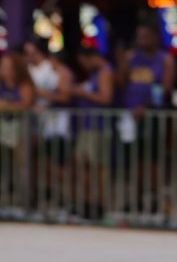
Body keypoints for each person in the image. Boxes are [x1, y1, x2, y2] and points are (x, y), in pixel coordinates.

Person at [117, 20, 175, 212]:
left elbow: (165, 89)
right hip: (130, 116)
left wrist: (146, 107)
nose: (142, 40)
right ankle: (137, 197)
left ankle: (156, 198)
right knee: (134, 159)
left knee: (154, 159)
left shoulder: (165, 59)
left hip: (153, 116)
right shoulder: (132, 57)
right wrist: (123, 62)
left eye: (145, 36)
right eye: (139, 36)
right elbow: (121, 82)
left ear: (155, 37)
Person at [22, 38, 74, 206]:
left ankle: (68, 197)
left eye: (31, 53)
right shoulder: (26, 69)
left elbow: (65, 94)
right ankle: (40, 195)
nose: (28, 56)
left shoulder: (54, 68)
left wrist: (43, 94)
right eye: (26, 53)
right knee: (38, 162)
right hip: (35, 124)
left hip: (55, 125)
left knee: (59, 161)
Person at [70, 42, 115, 219]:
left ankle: (100, 205)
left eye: (83, 62)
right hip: (87, 126)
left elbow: (106, 98)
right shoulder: (95, 73)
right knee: (83, 163)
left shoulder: (105, 72)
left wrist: (83, 93)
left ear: (91, 58)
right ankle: (88, 202)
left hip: (99, 126)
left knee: (99, 167)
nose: (83, 66)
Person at [0, 51, 36, 207]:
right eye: (3, 66)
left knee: (22, 166)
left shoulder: (24, 84)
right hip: (3, 129)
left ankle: (25, 201)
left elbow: (27, 105)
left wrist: (7, 106)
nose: (4, 69)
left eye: (8, 66)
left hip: (20, 130)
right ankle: (6, 199)